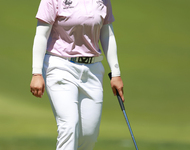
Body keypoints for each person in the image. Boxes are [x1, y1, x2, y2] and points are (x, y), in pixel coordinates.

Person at [30, 0, 124, 149]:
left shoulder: (103, 1)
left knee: (89, 135)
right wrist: (36, 72)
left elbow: (107, 34)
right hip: (60, 65)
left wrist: (116, 73)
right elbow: (41, 35)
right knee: (69, 126)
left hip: (93, 70)